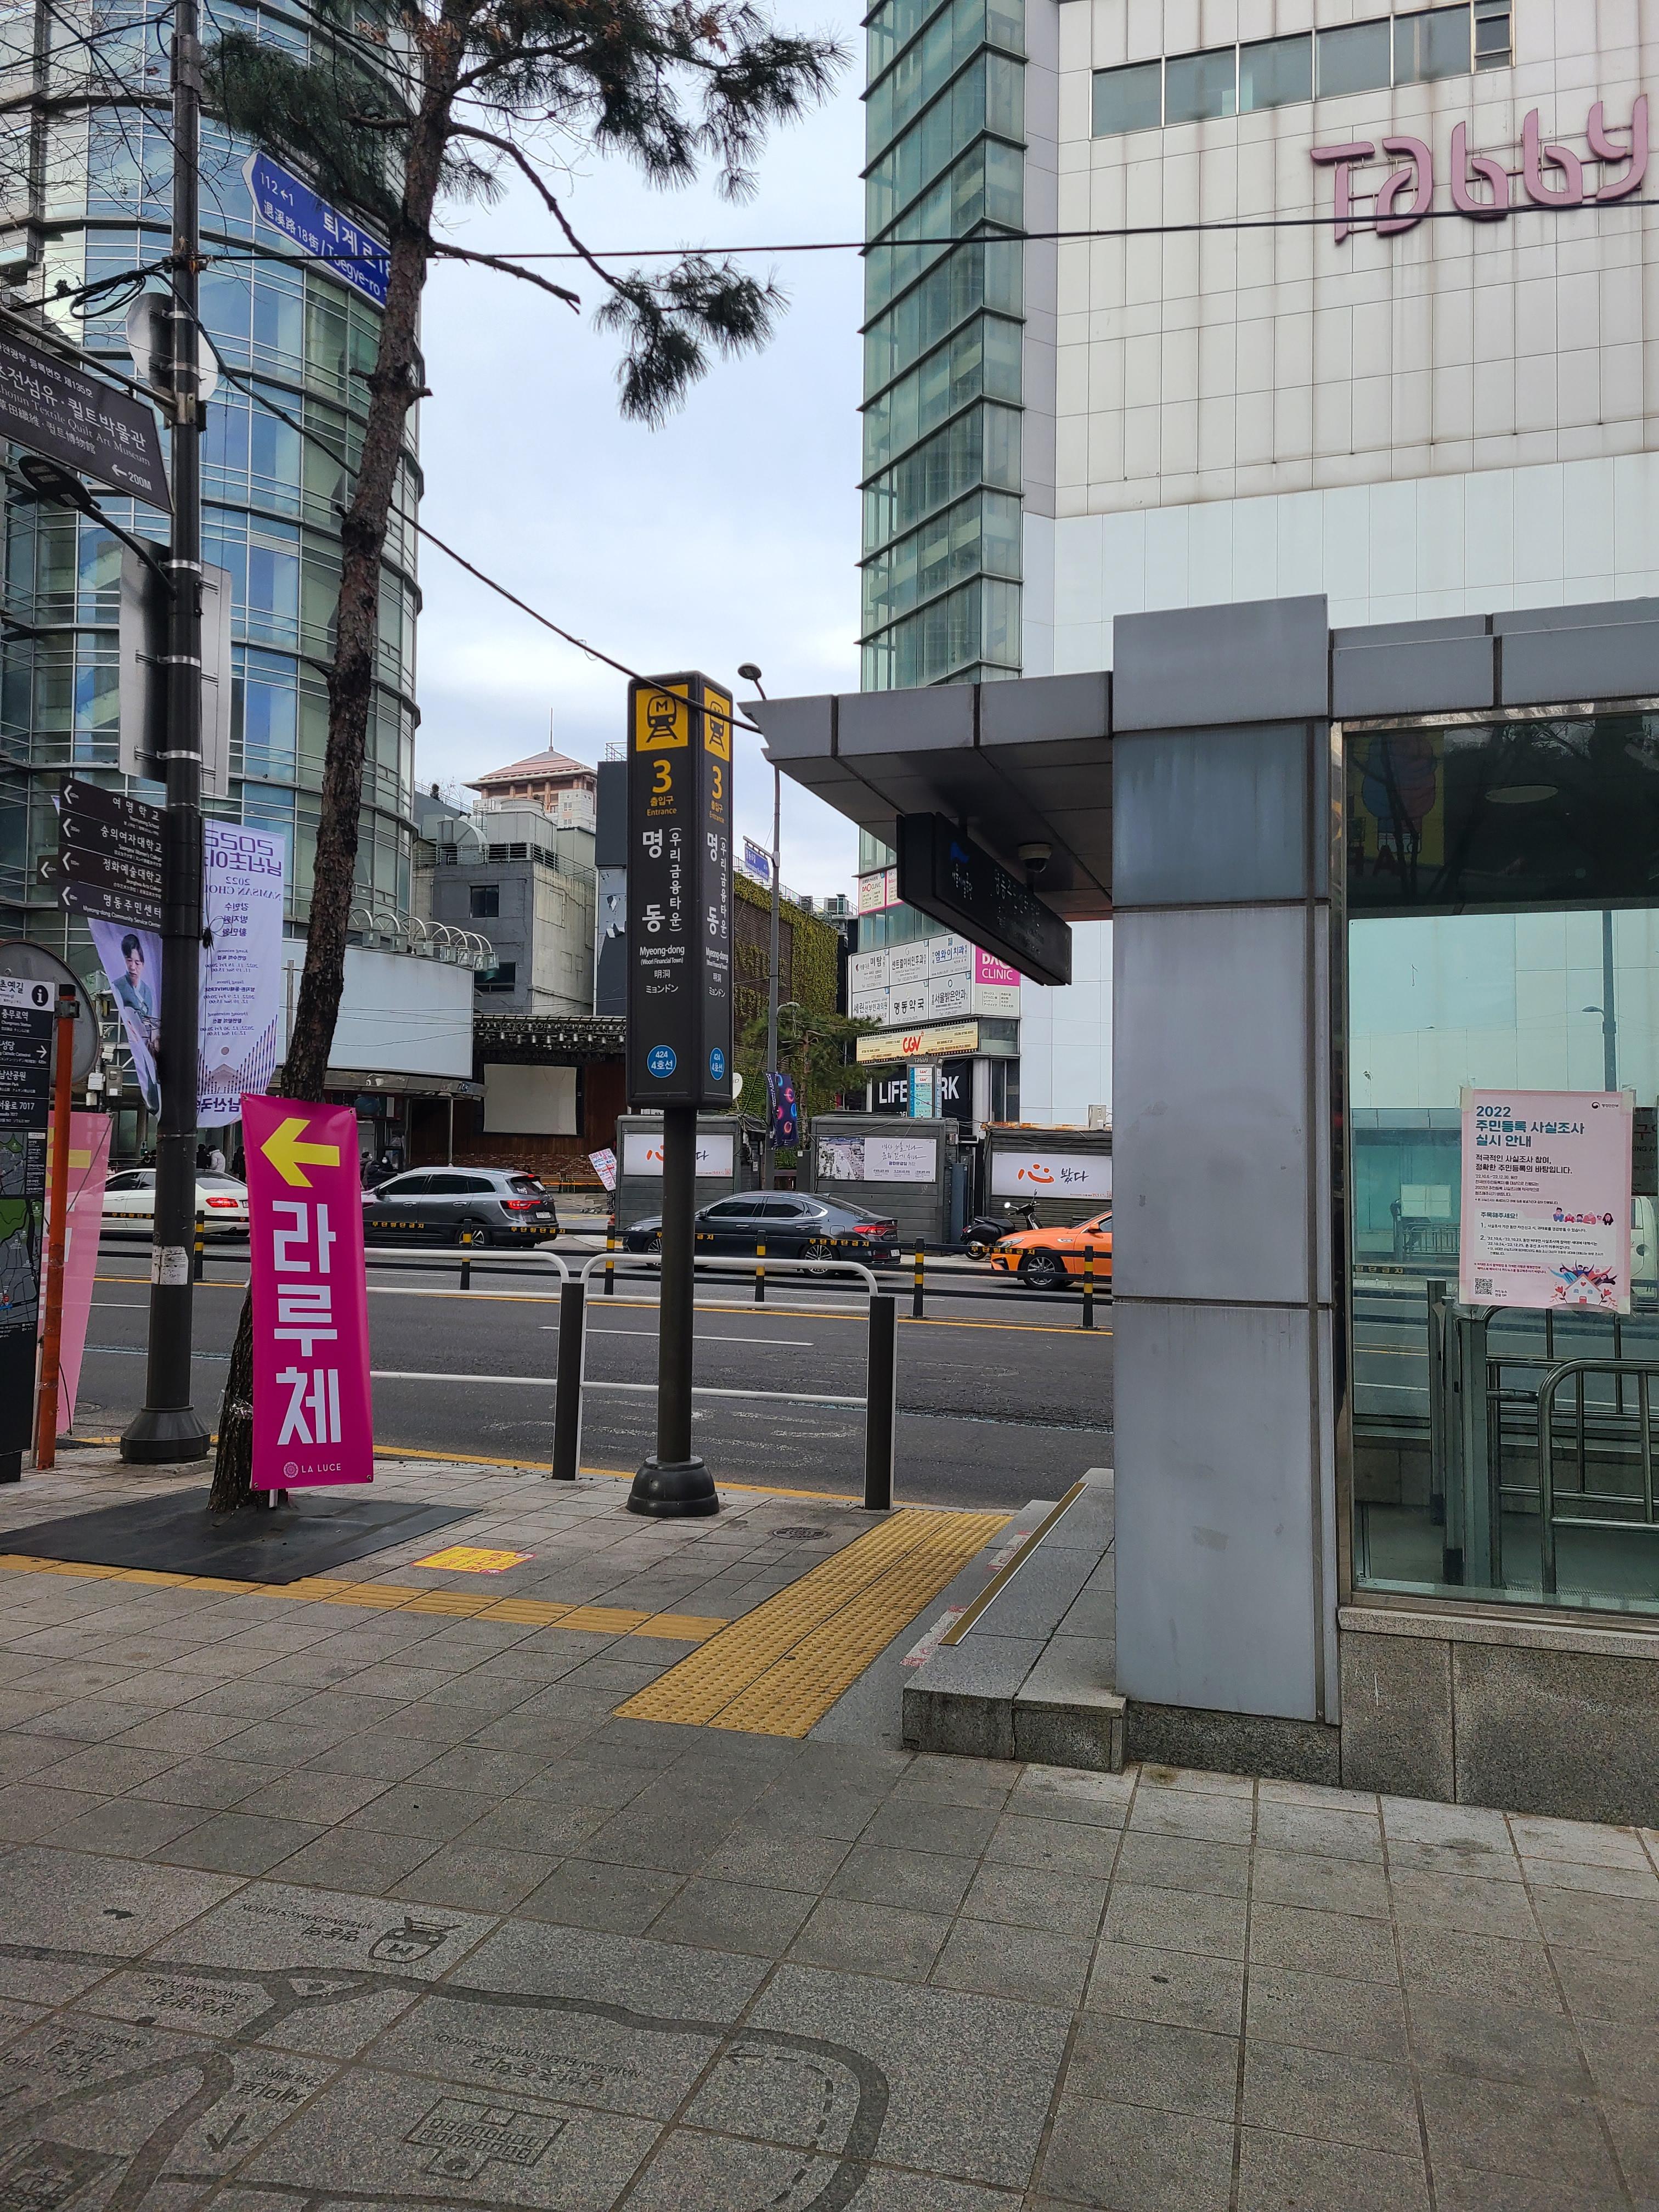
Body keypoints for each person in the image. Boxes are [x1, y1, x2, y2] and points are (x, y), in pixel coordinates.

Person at [113, 933, 160, 1115]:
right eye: (129, 960)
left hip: (150, 1046)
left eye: (138, 962)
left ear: (143, 964)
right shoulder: (118, 986)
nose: (133, 967)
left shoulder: (148, 991)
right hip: (137, 1044)